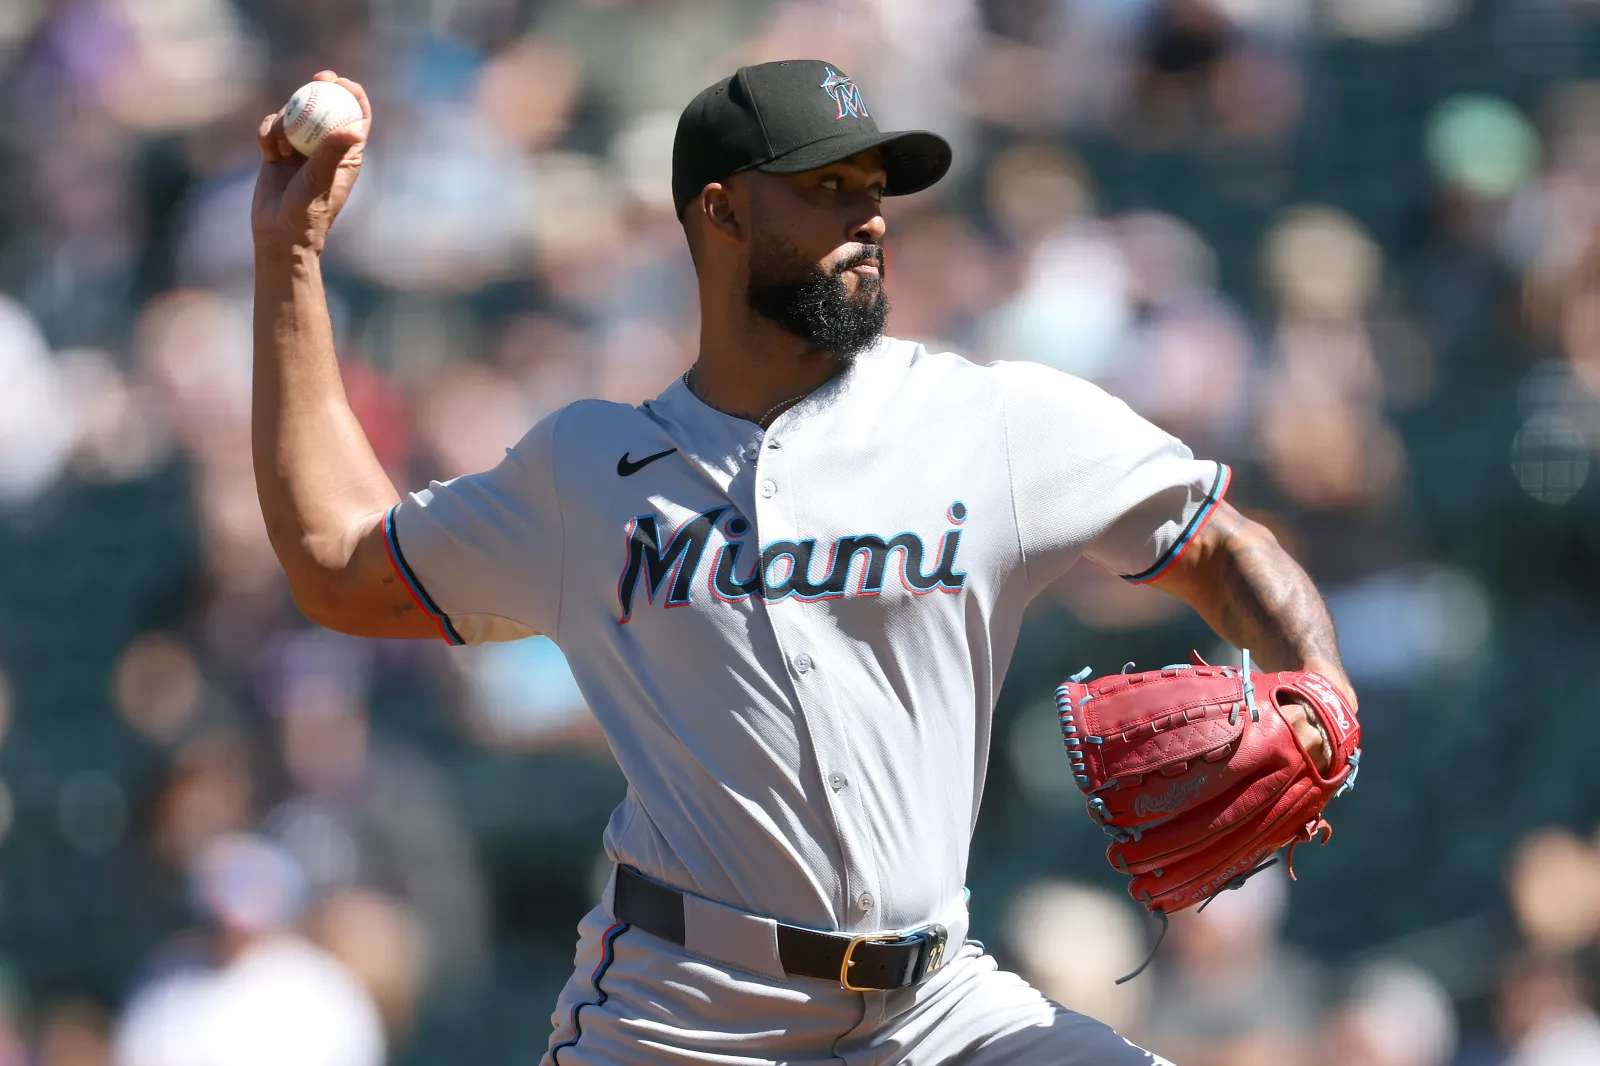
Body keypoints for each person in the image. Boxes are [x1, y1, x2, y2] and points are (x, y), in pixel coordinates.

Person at [252, 61, 1354, 1066]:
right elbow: (338, 564)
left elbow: (1221, 545)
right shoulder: (586, 473)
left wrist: (1319, 687)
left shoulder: (989, 420)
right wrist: (289, 257)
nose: (868, 216)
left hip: (937, 1008)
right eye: (825, 187)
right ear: (722, 212)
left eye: (874, 188)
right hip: (684, 1017)